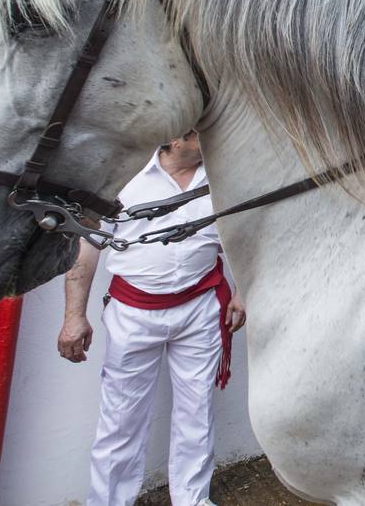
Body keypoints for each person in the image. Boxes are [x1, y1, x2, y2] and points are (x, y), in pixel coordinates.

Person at [58, 133, 246, 506]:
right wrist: (74, 316)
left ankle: (192, 499)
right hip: (133, 314)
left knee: (198, 410)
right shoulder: (122, 176)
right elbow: (87, 247)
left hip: (201, 308)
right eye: (199, 131)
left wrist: (242, 290)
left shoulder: (222, 177)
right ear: (175, 138)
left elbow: (241, 236)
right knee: (121, 419)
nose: (213, 135)